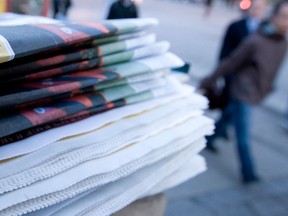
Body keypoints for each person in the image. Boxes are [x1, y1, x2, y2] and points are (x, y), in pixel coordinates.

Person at [201, 0, 288, 183]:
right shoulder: (256, 39)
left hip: (257, 91)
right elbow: (230, 61)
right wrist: (209, 80)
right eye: (284, 17)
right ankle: (248, 173)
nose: (286, 22)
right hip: (243, 91)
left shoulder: (281, 42)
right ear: (274, 16)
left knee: (228, 117)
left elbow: (271, 70)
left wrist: (268, 88)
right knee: (243, 134)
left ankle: (209, 139)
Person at [211, 0, 268, 143]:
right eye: (255, 7)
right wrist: (221, 72)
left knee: (233, 107)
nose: (257, 11)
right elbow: (225, 51)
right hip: (232, 73)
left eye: (260, 8)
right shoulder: (236, 26)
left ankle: (219, 130)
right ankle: (218, 131)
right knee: (231, 104)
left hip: (249, 79)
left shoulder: (265, 30)